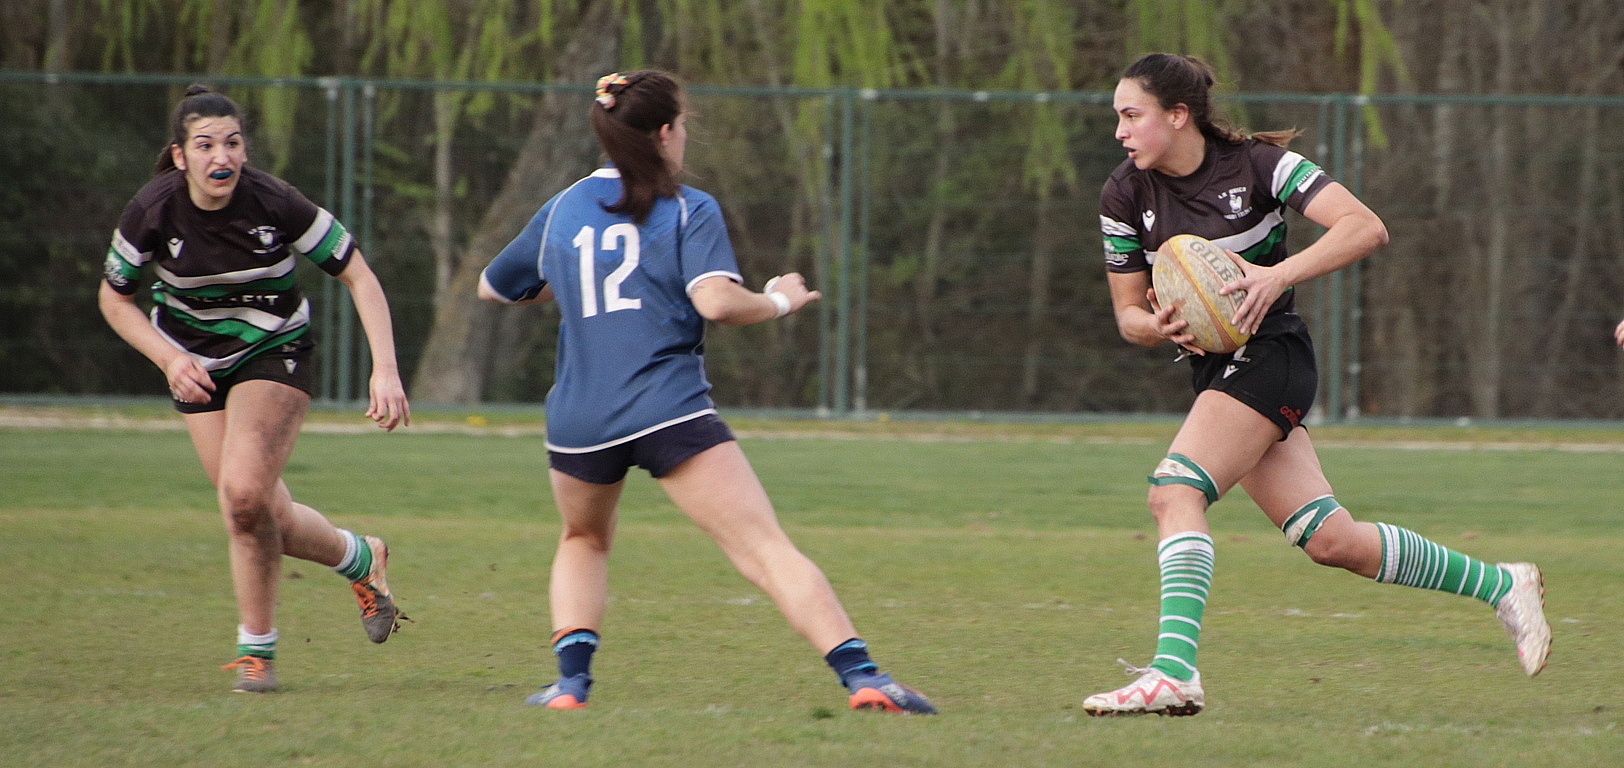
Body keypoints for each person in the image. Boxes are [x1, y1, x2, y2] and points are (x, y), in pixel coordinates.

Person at [1086, 53, 1551, 716]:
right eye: (1118, 118)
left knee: (1173, 492)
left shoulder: (1258, 167)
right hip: (1218, 372)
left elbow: (1366, 225)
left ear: (1178, 115)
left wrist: (1279, 274)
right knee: (1331, 540)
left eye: (1131, 114)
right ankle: (1502, 584)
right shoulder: (1124, 194)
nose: (1120, 131)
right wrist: (1157, 327)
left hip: (1273, 355)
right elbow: (1128, 315)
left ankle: (1172, 671)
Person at [477, 70, 935, 714]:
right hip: (666, 408)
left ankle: (570, 687)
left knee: (584, 540)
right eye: (683, 124)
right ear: (664, 133)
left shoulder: (561, 208)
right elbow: (716, 302)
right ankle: (864, 677)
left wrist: (579, 279)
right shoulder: (689, 207)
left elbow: (494, 287)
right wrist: (779, 299)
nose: (685, 135)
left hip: (580, 417)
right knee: (764, 548)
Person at [99, 85, 411, 694]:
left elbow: (358, 273)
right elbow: (115, 297)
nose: (223, 156)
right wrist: (167, 358)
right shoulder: (152, 209)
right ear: (180, 154)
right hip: (192, 363)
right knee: (258, 511)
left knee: (242, 495)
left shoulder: (273, 201)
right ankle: (360, 558)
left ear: (245, 150)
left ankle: (256, 654)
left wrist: (386, 369)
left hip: (275, 352)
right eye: (206, 144)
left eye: (233, 142)